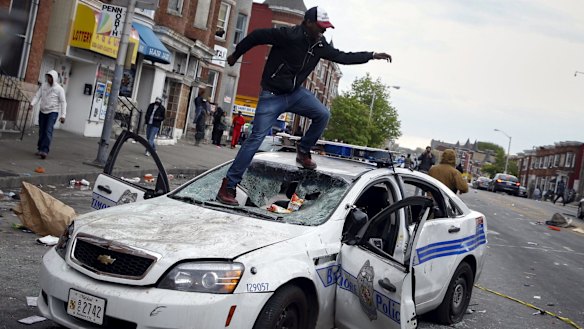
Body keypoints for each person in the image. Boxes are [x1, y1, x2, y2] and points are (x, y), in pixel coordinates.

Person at [216, 6, 392, 205]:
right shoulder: (289, 35)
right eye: (320, 27)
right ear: (308, 23)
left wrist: (371, 55)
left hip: (294, 93)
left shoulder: (319, 45)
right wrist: (236, 54)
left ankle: (304, 149)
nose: (323, 32)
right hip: (272, 95)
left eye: (325, 28)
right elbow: (256, 36)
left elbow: (343, 56)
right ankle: (228, 186)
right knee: (255, 139)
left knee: (322, 114)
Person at [30, 70, 67, 159]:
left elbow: (63, 102)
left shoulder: (59, 89)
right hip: (42, 111)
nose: (49, 79)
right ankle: (40, 148)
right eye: (48, 77)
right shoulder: (44, 86)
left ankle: (45, 151)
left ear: (54, 78)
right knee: (42, 130)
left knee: (48, 130)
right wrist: (32, 104)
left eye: (50, 77)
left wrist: (63, 115)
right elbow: (37, 96)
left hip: (53, 112)